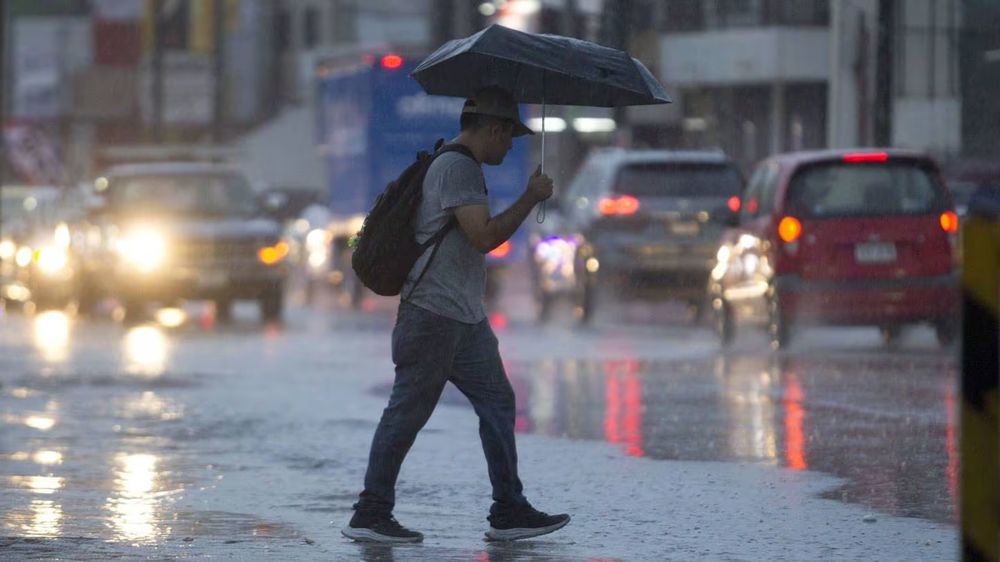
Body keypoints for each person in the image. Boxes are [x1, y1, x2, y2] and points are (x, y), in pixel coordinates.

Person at [341, 86, 570, 543]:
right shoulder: (458, 167)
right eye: (509, 138)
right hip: (432, 315)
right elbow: (483, 237)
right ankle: (370, 513)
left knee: (498, 402)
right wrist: (530, 197)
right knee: (407, 413)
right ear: (493, 129)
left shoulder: (459, 165)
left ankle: (508, 509)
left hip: (464, 318)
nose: (510, 147)